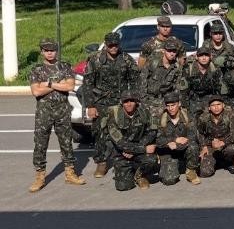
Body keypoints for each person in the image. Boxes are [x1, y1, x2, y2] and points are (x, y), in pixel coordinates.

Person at [29, 39, 85, 192]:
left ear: (56, 51)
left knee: (66, 142)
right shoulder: (36, 70)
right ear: (42, 52)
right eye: (46, 50)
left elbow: (70, 86)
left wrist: (48, 84)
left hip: (62, 110)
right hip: (44, 111)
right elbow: (36, 91)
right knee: (40, 143)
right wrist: (57, 84)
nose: (49, 52)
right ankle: (40, 176)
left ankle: (70, 173)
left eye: (52, 50)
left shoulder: (64, 67)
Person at [81, 31, 138, 177]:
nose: (113, 48)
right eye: (110, 45)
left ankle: (123, 159)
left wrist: (133, 101)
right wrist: (90, 106)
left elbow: (135, 81)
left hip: (122, 102)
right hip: (101, 102)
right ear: (105, 45)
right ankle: (102, 162)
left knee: (124, 131)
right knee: (100, 132)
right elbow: (87, 84)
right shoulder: (95, 60)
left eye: (116, 45)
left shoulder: (126, 59)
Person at [105, 91, 158, 191]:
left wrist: (137, 148)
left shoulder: (144, 112)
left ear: (136, 102)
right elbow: (120, 143)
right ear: (121, 103)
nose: (129, 104)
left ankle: (139, 175)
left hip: (137, 148)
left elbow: (152, 132)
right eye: (126, 101)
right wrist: (143, 148)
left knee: (152, 159)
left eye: (132, 101)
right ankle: (130, 170)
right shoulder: (114, 115)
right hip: (122, 153)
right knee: (123, 187)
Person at [153, 92, 201, 186]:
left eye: (173, 105)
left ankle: (191, 171)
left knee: (193, 147)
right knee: (169, 180)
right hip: (168, 152)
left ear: (179, 104)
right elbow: (156, 140)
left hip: (184, 148)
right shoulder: (159, 118)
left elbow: (193, 136)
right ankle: (174, 166)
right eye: (168, 106)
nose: (171, 108)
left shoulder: (188, 116)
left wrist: (177, 144)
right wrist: (172, 141)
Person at [139, 38, 186, 118]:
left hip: (166, 101)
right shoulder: (153, 62)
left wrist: (176, 102)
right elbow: (142, 80)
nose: (172, 54)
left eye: (174, 51)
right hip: (150, 100)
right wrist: (144, 101)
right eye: (169, 51)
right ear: (164, 51)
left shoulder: (177, 67)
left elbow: (177, 87)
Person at [195, 95, 234, 178]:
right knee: (205, 172)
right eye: (213, 105)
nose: (216, 107)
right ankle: (216, 162)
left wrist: (223, 142)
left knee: (232, 150)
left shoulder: (231, 115)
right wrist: (204, 146)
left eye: (218, 104)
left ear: (223, 105)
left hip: (227, 145)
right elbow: (200, 133)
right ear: (209, 108)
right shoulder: (203, 118)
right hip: (211, 146)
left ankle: (228, 163)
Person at [182, 46, 223, 118]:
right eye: (201, 55)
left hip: (210, 98)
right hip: (194, 99)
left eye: (206, 55)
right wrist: (185, 108)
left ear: (210, 57)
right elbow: (184, 92)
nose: (204, 58)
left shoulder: (215, 69)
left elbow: (219, 89)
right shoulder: (188, 70)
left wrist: (218, 104)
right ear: (196, 57)